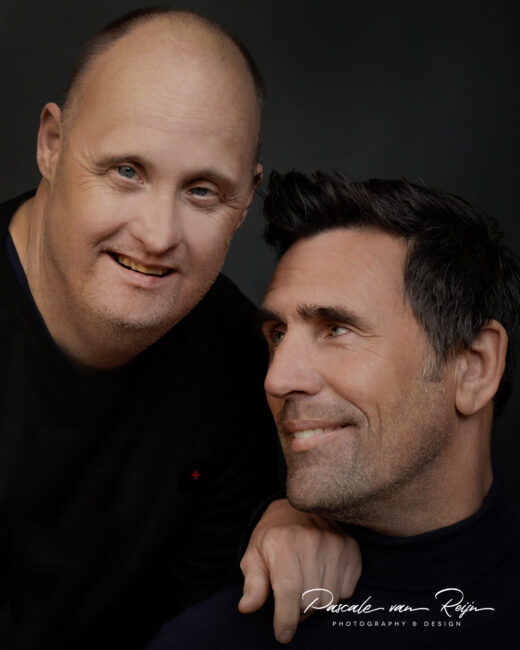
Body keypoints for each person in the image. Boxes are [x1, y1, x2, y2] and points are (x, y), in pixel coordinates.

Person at [0, 11, 362, 650]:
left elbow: (201, 620)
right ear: (51, 145)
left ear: (245, 199)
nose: (158, 235)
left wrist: (287, 519)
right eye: (127, 171)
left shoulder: (242, 362)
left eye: (201, 191)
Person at [149, 171, 520, 649]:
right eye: (277, 334)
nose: (276, 379)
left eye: (336, 329)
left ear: (475, 367)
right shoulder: (208, 637)